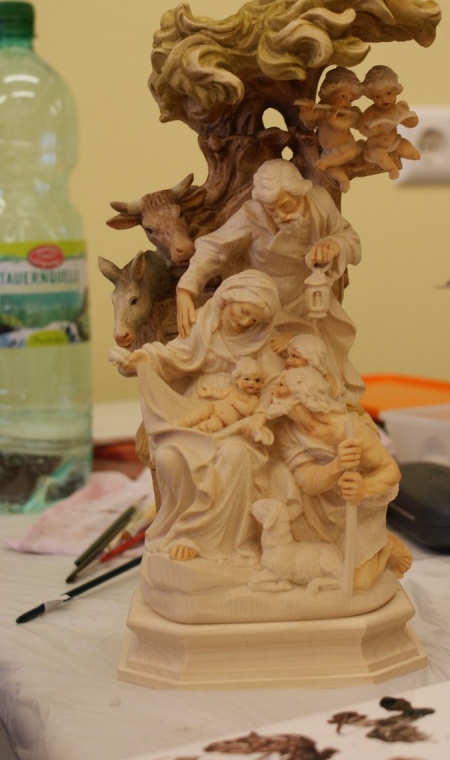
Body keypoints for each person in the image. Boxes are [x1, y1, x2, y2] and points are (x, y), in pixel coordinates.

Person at [109, 269, 285, 565]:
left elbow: (273, 387)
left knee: (236, 457)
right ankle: (181, 529)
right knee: (168, 457)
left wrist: (257, 416)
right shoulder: (203, 327)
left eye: (253, 319)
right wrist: (140, 359)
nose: (245, 322)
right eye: (243, 312)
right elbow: (173, 356)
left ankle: (205, 538)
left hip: (237, 426)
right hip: (195, 410)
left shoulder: (260, 344)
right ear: (228, 298)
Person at [176, 158, 364, 407]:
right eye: (272, 210)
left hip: (310, 292)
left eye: (286, 206)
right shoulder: (252, 215)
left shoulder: (319, 202)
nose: (280, 216)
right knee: (268, 360)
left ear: (300, 193)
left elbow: (348, 236)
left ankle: (321, 400)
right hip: (264, 303)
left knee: (322, 352)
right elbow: (214, 248)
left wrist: (334, 245)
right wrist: (186, 288)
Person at [266, 366, 412, 591]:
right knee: (278, 474)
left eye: (282, 385)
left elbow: (390, 470)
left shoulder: (346, 426)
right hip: (322, 503)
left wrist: (364, 488)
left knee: (357, 586)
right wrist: (337, 465)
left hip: (359, 506)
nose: (274, 392)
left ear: (302, 392)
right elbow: (307, 481)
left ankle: (383, 546)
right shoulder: (289, 432)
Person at [296, 67, 363, 192]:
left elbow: (343, 125)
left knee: (348, 152)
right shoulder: (323, 111)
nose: (347, 102)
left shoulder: (347, 114)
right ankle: (342, 179)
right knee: (328, 168)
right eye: (343, 96)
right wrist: (305, 110)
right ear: (329, 95)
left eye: (350, 100)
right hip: (328, 151)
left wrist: (332, 119)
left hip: (345, 146)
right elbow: (308, 119)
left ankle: (328, 162)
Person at [359, 65, 420, 180]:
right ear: (371, 96)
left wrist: (412, 121)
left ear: (396, 91)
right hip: (376, 146)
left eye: (389, 94)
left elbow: (409, 122)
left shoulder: (397, 108)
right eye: (378, 96)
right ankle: (391, 169)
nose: (384, 99)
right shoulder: (371, 111)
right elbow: (362, 128)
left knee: (411, 152)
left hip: (395, 141)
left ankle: (415, 155)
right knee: (379, 155)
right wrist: (373, 130)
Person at [175, 357, 266, 433]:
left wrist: (235, 402)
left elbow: (247, 411)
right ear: (237, 378)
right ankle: (184, 423)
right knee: (200, 413)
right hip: (214, 407)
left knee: (212, 426)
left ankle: (194, 431)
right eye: (247, 379)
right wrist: (210, 392)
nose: (252, 383)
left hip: (223, 421)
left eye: (257, 380)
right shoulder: (233, 389)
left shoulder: (252, 398)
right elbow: (221, 394)